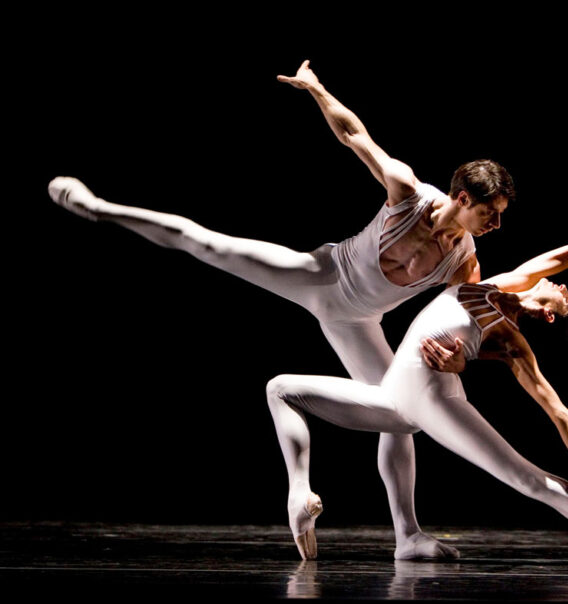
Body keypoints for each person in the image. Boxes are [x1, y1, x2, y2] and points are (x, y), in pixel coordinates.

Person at [47, 59, 515, 560]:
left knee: (400, 413)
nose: (494, 225)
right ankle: (99, 208)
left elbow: (475, 317)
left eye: (499, 218)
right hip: (320, 276)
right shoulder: (406, 193)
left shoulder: (463, 261)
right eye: (489, 214)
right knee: (205, 243)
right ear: (461, 197)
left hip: (355, 322)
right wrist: (316, 89)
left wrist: (470, 356)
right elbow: (353, 133)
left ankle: (407, 538)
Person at [265, 243, 568, 567]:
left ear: (548, 316)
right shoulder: (498, 285)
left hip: (435, 398)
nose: (564, 287)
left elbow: (559, 413)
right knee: (281, 388)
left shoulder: (513, 344)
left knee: (528, 480)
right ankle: (319, 504)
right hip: (395, 397)